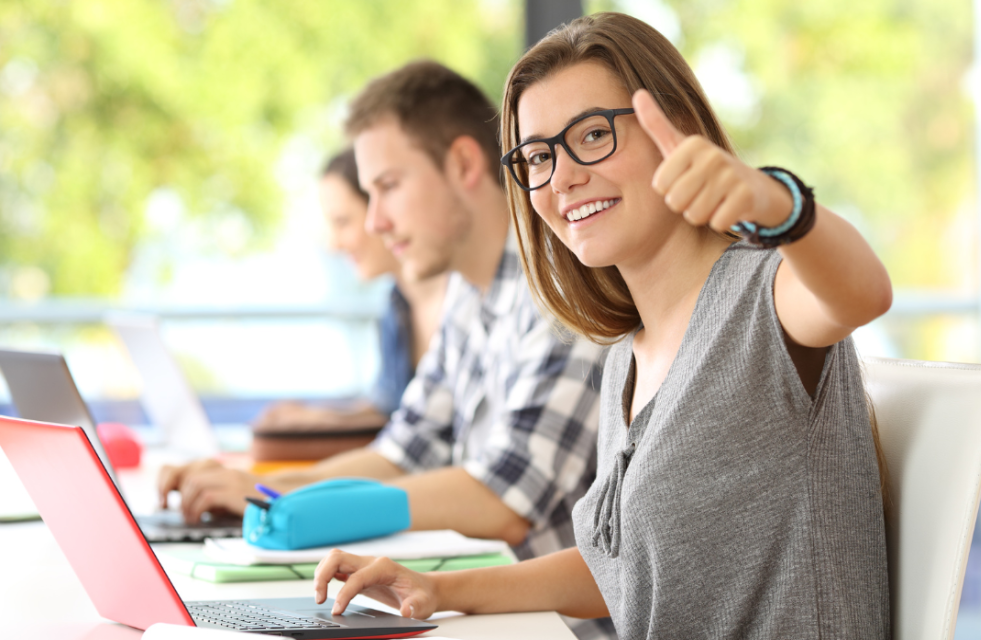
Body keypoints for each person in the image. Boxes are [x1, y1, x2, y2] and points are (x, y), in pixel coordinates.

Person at [311, 12, 893, 640]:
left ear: (682, 130)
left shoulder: (762, 295)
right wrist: (438, 589)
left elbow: (862, 292)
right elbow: (617, 566)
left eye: (591, 135)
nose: (561, 176)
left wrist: (776, 204)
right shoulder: (625, 353)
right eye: (537, 156)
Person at [158, 61, 615, 640]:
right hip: (487, 614)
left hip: (559, 628)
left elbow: (503, 497)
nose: (376, 221)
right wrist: (268, 490)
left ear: (464, 165)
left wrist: (300, 504)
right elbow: (404, 449)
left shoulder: (559, 293)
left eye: (388, 187)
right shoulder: (470, 297)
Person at [254, 148, 448, 430]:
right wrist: (317, 417)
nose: (333, 245)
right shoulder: (396, 306)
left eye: (343, 222)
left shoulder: (465, 300)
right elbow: (389, 411)